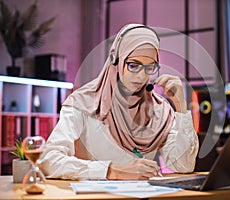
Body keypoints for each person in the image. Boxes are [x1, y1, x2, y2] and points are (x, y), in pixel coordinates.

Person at [40, 24, 199, 180]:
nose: (141, 76)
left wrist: (181, 107)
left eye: (149, 68)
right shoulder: (84, 101)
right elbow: (49, 160)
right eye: (133, 65)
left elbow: (183, 166)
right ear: (116, 61)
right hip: (96, 197)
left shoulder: (160, 109)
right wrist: (112, 171)